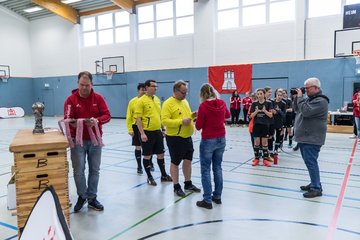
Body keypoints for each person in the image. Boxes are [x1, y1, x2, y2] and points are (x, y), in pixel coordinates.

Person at [64, 71, 111, 212]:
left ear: (92, 84)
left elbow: (107, 115)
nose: (84, 88)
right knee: (78, 171)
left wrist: (97, 121)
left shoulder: (99, 98)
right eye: (82, 85)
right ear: (77, 83)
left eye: (87, 85)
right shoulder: (71, 100)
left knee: (94, 170)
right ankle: (82, 196)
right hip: (77, 141)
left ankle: (92, 198)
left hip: (95, 140)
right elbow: (67, 118)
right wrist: (73, 123)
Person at [161, 80, 201, 197]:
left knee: (188, 161)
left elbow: (187, 117)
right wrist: (181, 121)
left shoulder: (185, 102)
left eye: (186, 93)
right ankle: (176, 186)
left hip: (187, 137)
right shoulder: (168, 104)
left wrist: (193, 116)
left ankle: (188, 183)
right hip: (175, 138)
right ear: (176, 91)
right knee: (175, 162)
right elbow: (164, 121)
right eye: (183, 93)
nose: (185, 95)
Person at [195, 83, 230, 209]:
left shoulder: (203, 106)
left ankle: (207, 200)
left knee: (205, 170)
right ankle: (217, 196)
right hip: (221, 138)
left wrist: (198, 116)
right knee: (217, 167)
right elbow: (228, 115)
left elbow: (198, 126)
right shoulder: (221, 102)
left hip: (208, 140)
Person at [294, 77, 329, 198]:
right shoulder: (310, 99)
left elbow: (305, 112)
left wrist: (300, 97)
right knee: (309, 162)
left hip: (312, 138)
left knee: (311, 162)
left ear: (316, 88)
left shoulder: (321, 101)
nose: (306, 90)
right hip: (306, 137)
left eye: (307, 88)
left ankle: (316, 188)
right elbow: (297, 109)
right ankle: (315, 183)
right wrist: (297, 98)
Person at [135, 79, 172, 186]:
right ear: (146, 88)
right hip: (147, 132)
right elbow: (138, 119)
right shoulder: (141, 101)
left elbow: (159, 116)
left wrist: (163, 129)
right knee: (147, 156)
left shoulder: (156, 99)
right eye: (153, 86)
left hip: (157, 131)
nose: (155, 88)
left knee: (161, 154)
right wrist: (142, 133)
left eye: (156, 86)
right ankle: (149, 177)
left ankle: (164, 175)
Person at [126, 83, 154, 174]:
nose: (144, 92)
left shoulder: (150, 100)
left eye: (145, 90)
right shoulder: (132, 101)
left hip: (146, 126)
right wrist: (130, 129)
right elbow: (129, 116)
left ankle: (150, 163)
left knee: (148, 146)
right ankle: (139, 166)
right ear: (138, 91)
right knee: (138, 147)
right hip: (136, 126)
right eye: (142, 90)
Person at [250, 89, 273, 167]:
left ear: (264, 94)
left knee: (264, 143)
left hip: (265, 125)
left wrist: (265, 111)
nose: (259, 95)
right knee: (256, 142)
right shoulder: (254, 104)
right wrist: (256, 112)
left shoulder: (269, 103)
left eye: (261, 94)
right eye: (258, 94)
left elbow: (271, 115)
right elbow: (251, 116)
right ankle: (256, 158)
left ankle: (265, 159)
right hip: (256, 125)